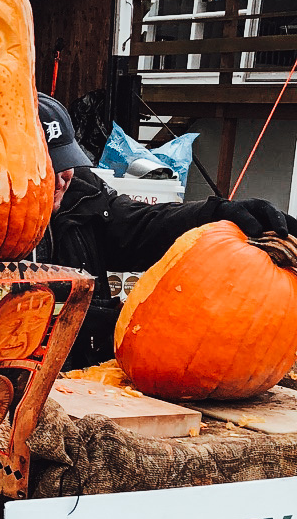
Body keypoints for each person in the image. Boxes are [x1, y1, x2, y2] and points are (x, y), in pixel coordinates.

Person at [35, 92, 296, 369]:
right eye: (49, 164)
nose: (63, 176)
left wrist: (215, 214)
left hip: (81, 380)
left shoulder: (82, 190)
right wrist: (74, 318)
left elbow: (140, 225)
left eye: (66, 161)